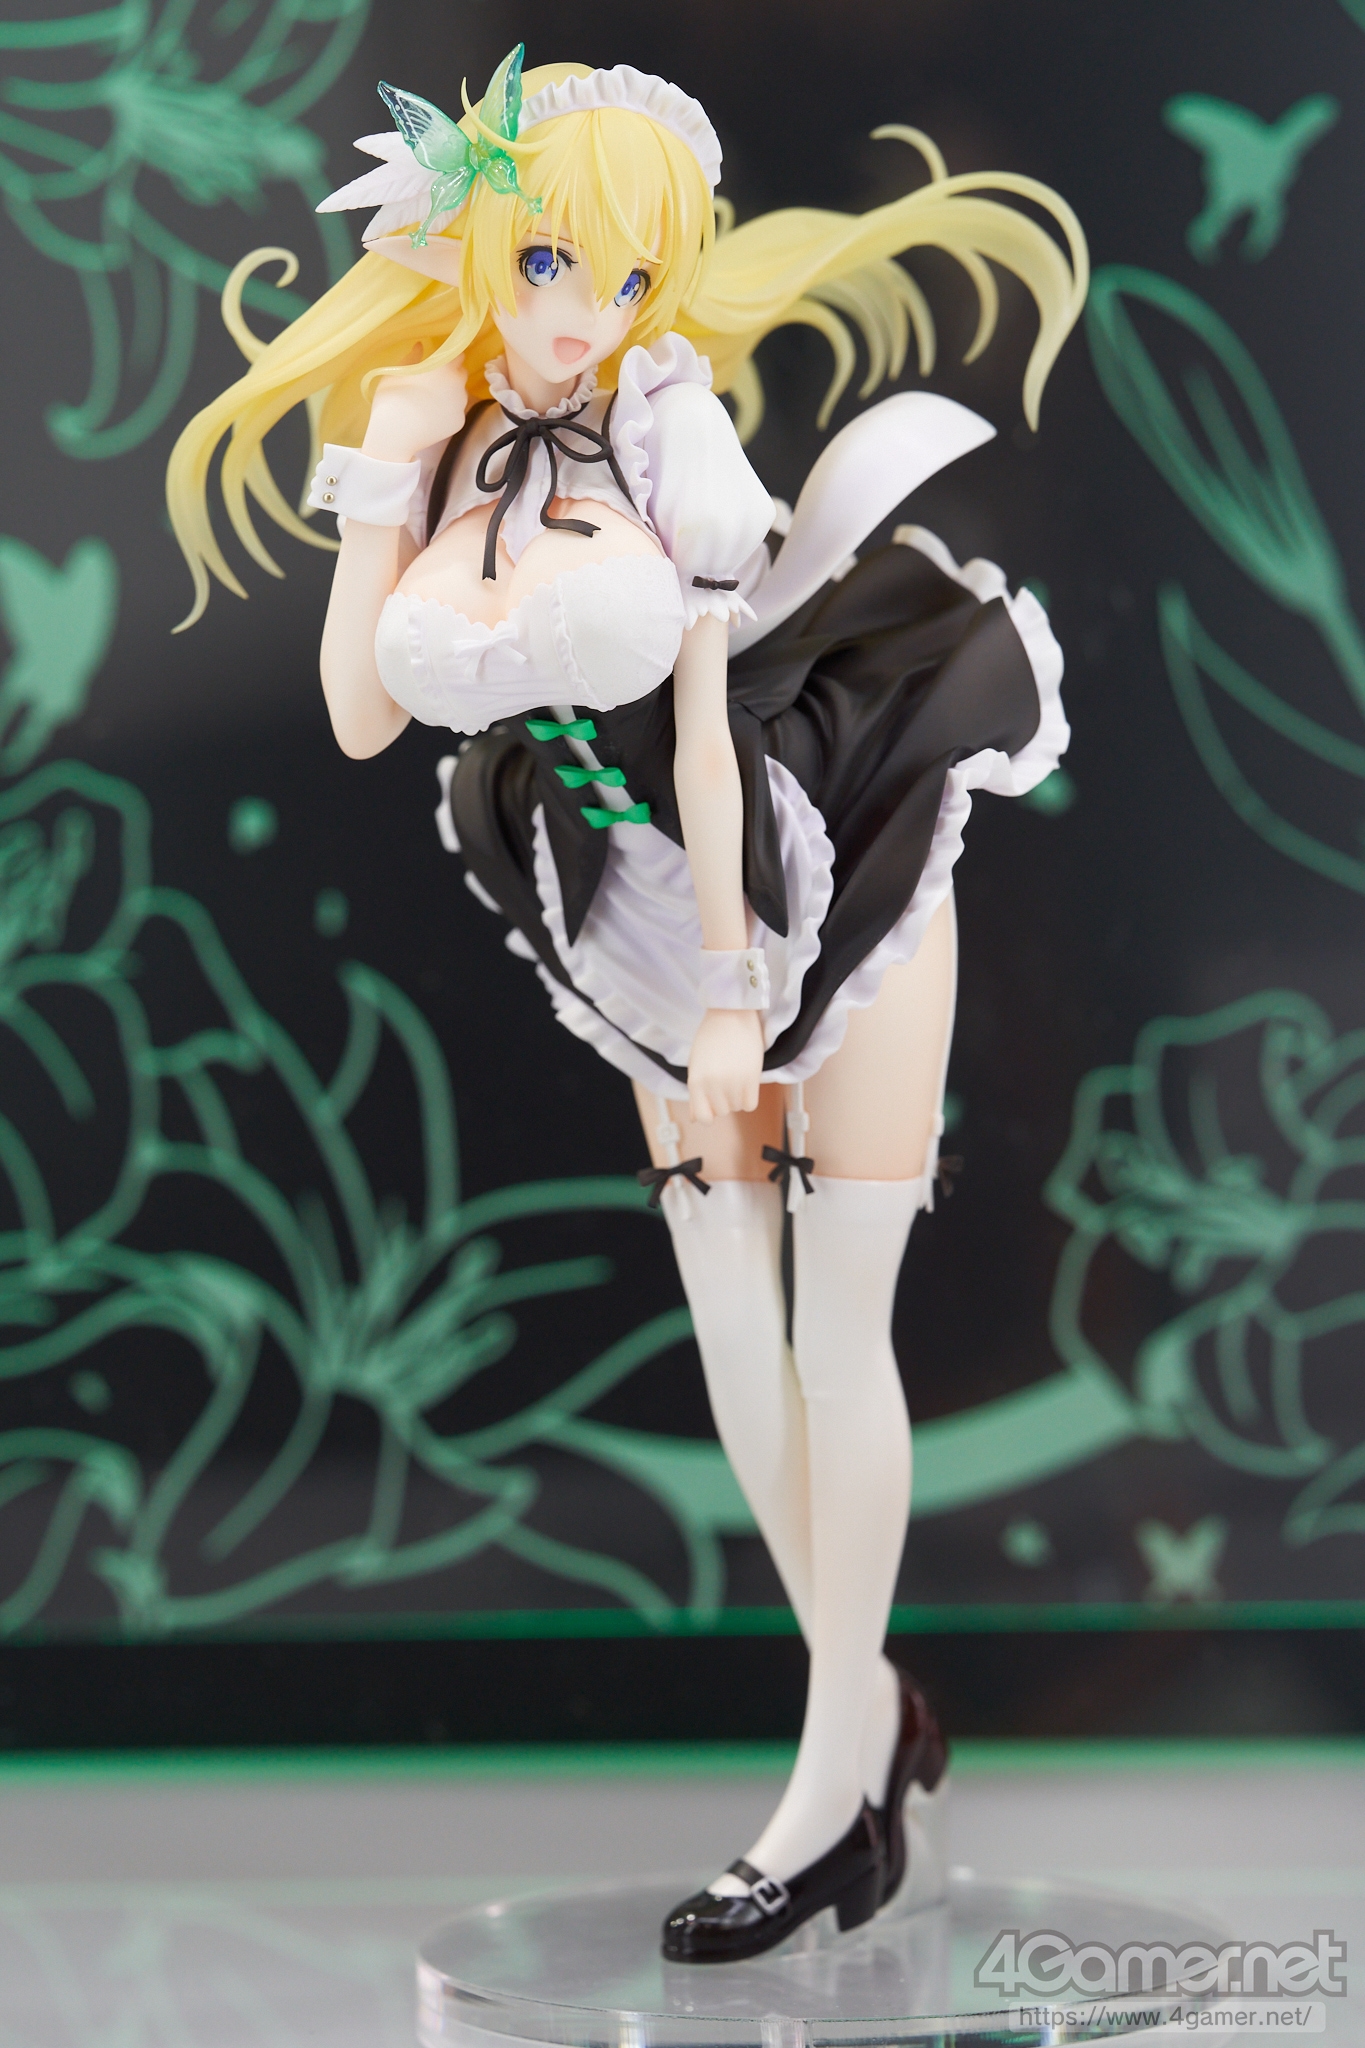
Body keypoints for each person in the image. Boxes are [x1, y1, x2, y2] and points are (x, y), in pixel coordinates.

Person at [166, 45, 1086, 1961]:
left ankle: (828, 1793)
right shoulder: (446, 441)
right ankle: (870, 1725)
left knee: (835, 1327)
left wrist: (744, 984)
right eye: (540, 262)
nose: (576, 307)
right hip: (619, 893)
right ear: (476, 250)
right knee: (734, 1331)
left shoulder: (666, 427)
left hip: (808, 847)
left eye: (617, 272)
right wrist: (385, 469)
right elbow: (361, 714)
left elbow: (708, 729)